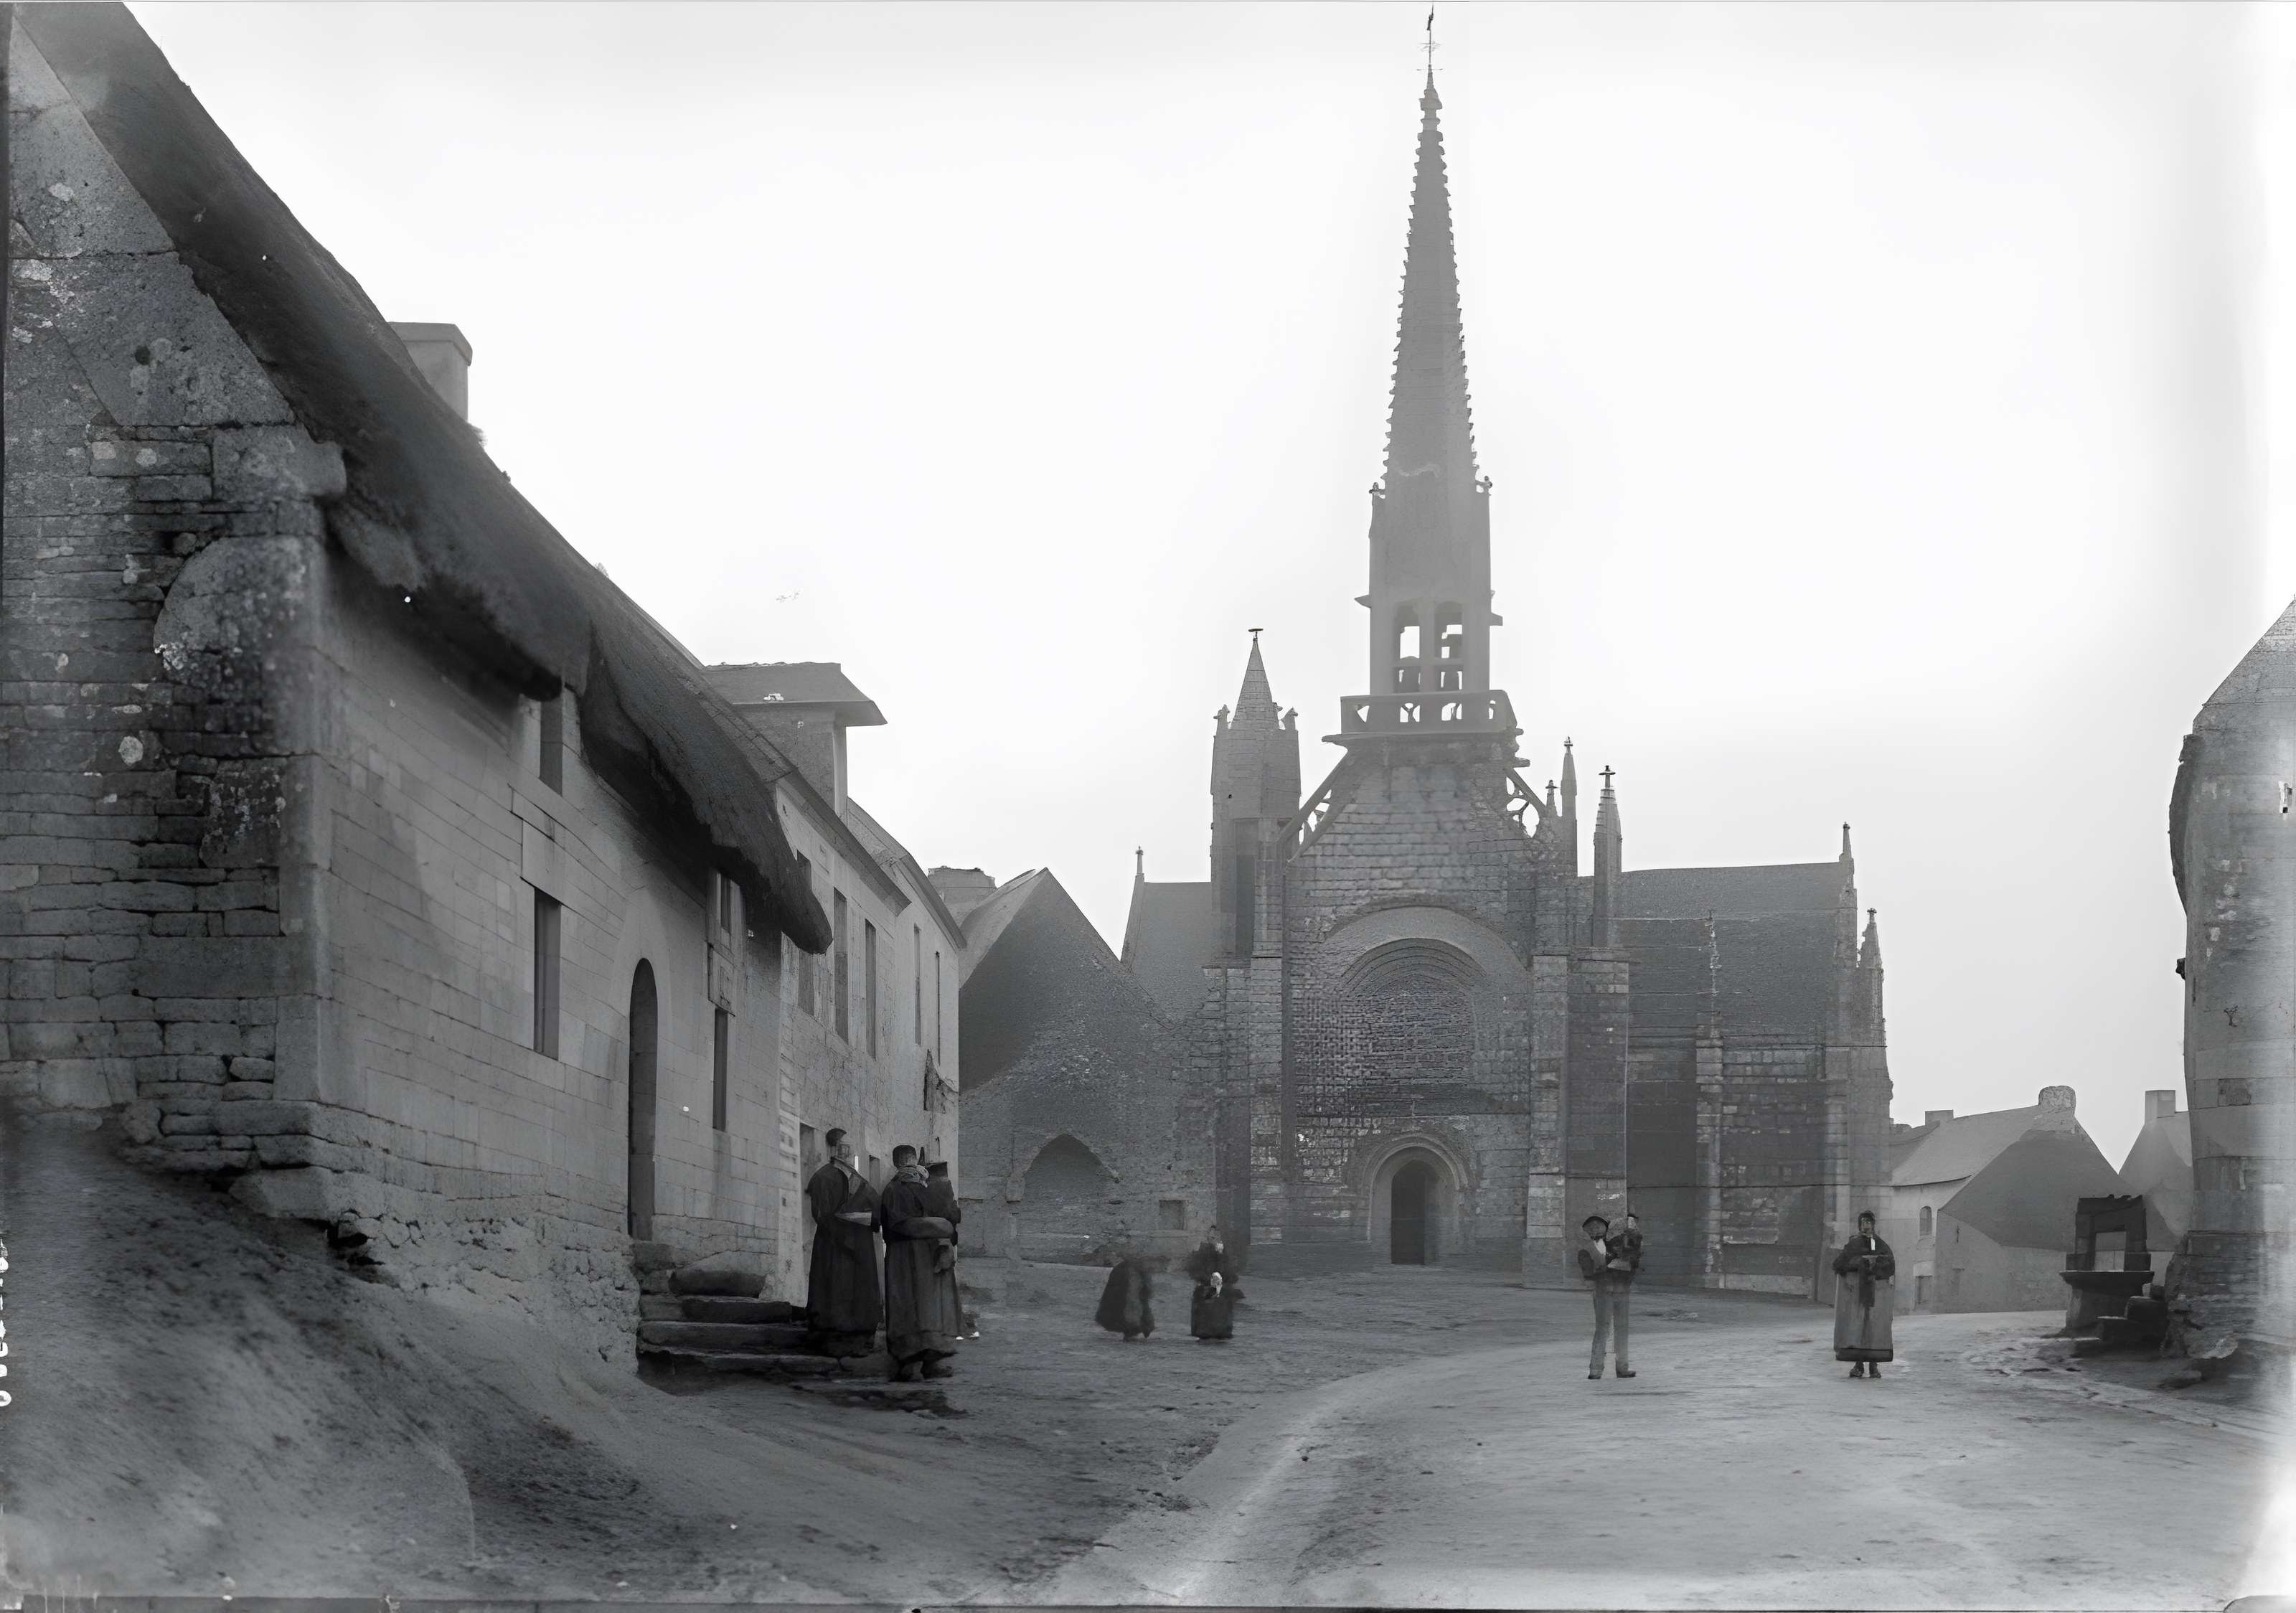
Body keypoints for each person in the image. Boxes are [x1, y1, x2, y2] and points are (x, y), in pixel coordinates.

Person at [878, 1144, 960, 1381]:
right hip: (910, 1255)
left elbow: (946, 1218)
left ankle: (926, 1364)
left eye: (911, 1159)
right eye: (907, 1160)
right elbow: (893, 1223)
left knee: (920, 1306)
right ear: (900, 1163)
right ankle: (909, 1365)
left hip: (915, 1255)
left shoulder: (897, 1189)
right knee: (914, 1305)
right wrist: (936, 1231)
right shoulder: (903, 1190)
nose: (910, 1164)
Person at [805, 1129, 883, 1357]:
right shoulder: (824, 1178)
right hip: (836, 1245)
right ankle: (835, 1338)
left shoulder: (855, 1178)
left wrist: (864, 1219)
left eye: (848, 1148)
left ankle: (855, 1336)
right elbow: (822, 1215)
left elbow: (875, 1207)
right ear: (834, 1150)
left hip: (854, 1243)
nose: (847, 1153)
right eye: (843, 1148)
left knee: (853, 1289)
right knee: (835, 1288)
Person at [1831, 1211, 1896, 1378]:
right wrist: (1858, 1263)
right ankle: (1859, 1365)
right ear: (1859, 1224)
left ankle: (1874, 1366)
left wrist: (1875, 1264)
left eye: (1869, 1222)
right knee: (1858, 1328)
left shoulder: (1879, 1244)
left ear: (1873, 1224)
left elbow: (1890, 1264)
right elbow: (1840, 1264)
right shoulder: (1854, 1244)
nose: (1866, 1225)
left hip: (1875, 1294)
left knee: (1873, 1328)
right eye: (1863, 1222)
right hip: (1857, 1295)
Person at [1577, 1213, 1635, 1380]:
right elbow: (1588, 1277)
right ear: (1587, 1231)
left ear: (1606, 1227)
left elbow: (1631, 1263)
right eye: (1592, 1227)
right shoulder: (1585, 1250)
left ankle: (1622, 1368)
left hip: (1622, 1290)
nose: (1596, 1230)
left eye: (1599, 1226)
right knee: (1602, 1330)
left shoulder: (1616, 1244)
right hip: (1603, 1293)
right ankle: (1595, 1370)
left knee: (1622, 1330)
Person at [923, 1160, 976, 1340]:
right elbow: (953, 1214)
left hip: (928, 1243)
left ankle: (935, 1324)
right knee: (945, 1286)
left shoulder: (925, 1187)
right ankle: (947, 1325)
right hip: (943, 1242)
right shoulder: (944, 1186)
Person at [1186, 1226, 1241, 1342]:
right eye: (1212, 1237)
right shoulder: (1202, 1253)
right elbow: (1195, 1270)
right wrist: (1208, 1280)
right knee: (1205, 1311)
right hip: (1205, 1289)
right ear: (1208, 1238)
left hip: (1221, 1290)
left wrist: (1221, 1256)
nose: (1215, 1239)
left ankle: (1221, 1331)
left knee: (1222, 1307)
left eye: (1217, 1237)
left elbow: (1230, 1273)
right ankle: (1205, 1332)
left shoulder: (1224, 1255)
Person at [1094, 1251, 1156, 1340]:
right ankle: (1136, 1326)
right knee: (1134, 1302)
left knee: (1132, 1301)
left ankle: (1134, 1326)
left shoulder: (1123, 1269)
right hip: (1129, 1289)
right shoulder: (1126, 1269)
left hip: (1128, 1290)